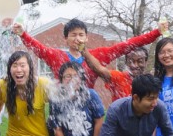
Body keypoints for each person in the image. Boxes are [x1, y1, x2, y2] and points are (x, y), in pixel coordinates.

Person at [12, 18, 162, 88]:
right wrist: (23, 34)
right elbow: (38, 48)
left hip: (87, 107)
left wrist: (157, 32)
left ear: (87, 37)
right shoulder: (56, 56)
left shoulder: (99, 55)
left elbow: (127, 45)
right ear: (66, 38)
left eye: (81, 35)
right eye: (73, 35)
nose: (77, 39)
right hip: (62, 106)